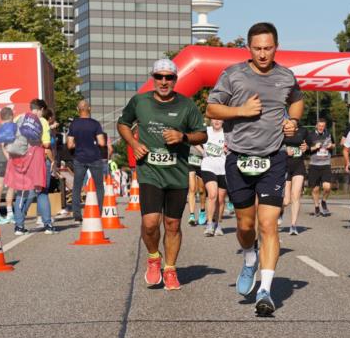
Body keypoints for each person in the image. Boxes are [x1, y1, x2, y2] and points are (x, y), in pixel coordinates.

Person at [206, 22, 304, 316]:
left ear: (277, 46)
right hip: (238, 157)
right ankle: (250, 258)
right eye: (257, 48)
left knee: (268, 225)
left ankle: (265, 290)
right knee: (246, 226)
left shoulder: (286, 76)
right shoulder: (233, 74)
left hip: (273, 158)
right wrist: (240, 111)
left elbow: (297, 101)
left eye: (268, 48)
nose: (263, 54)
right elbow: (212, 108)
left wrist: (293, 121)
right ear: (248, 48)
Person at [117, 59, 207, 291]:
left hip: (177, 173)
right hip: (150, 171)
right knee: (150, 223)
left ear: (175, 80)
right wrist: (133, 143)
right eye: (159, 76)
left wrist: (183, 137)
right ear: (153, 78)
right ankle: (154, 257)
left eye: (169, 77)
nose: (164, 81)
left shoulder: (187, 105)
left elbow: (202, 135)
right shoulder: (140, 101)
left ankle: (170, 269)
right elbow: (123, 123)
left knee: (173, 224)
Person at [4, 99, 51, 236]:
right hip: (35, 158)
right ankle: (48, 224)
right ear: (41, 109)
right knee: (41, 191)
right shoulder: (42, 121)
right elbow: (47, 144)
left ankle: (19, 226)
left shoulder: (19, 117)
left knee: (21, 192)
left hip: (19, 159)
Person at [67, 100, 106, 224]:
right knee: (99, 187)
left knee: (77, 187)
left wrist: (77, 144)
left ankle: (77, 216)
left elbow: (69, 145)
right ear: (89, 108)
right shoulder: (95, 124)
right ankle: (98, 213)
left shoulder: (74, 124)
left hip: (79, 158)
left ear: (78, 109)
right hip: (95, 157)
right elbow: (102, 143)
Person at [199, 118, 229, 237]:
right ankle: (209, 224)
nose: (216, 121)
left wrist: (228, 149)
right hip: (208, 167)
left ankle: (218, 224)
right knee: (212, 195)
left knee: (221, 199)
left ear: (223, 121)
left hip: (223, 168)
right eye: (214, 119)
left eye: (219, 119)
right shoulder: (206, 131)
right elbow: (193, 140)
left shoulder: (227, 133)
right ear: (211, 120)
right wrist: (202, 151)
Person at [282, 121, 309, 235]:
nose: (289, 128)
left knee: (296, 195)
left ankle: (293, 225)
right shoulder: (280, 135)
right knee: (286, 200)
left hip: (299, 166)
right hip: (284, 167)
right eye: (287, 126)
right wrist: (284, 150)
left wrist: (307, 147)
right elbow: (272, 147)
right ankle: (280, 212)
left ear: (295, 128)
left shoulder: (302, 133)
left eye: (292, 126)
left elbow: (310, 146)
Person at [0, 107, 17, 225]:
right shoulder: (10, 128)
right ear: (11, 116)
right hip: (6, 159)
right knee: (10, 186)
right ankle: (10, 213)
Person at [307, 118, 334, 217]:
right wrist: (315, 147)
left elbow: (334, 145)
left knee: (327, 187)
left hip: (326, 164)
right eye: (319, 126)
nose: (321, 128)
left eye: (323, 126)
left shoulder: (328, 134)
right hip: (314, 165)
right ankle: (317, 207)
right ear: (316, 126)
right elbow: (306, 150)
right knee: (315, 189)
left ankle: (323, 201)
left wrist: (331, 146)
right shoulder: (310, 135)